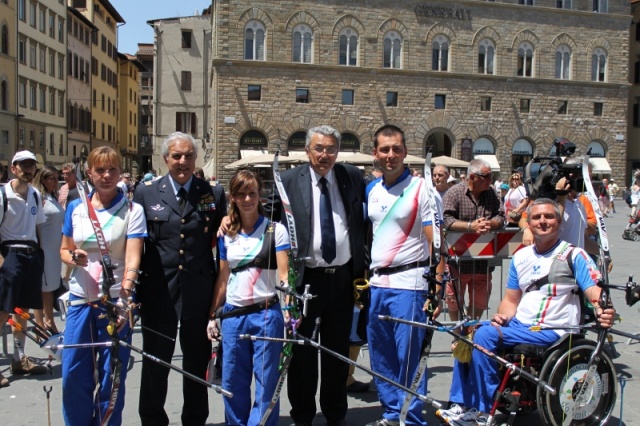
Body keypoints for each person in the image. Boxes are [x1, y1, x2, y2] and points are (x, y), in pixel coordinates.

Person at [436, 198, 615, 424]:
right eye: (536, 217)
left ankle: (481, 411)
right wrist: (501, 316)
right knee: (466, 331)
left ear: (559, 223)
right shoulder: (521, 256)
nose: (543, 221)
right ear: (528, 223)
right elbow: (511, 301)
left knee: (484, 335)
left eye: (549, 217)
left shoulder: (574, 255)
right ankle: (461, 404)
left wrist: (602, 308)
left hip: (553, 330)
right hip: (521, 325)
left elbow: (594, 290)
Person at [266, 125, 366, 426]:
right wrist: (228, 223)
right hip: (305, 280)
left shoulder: (352, 177)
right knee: (303, 355)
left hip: (343, 279)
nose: (325, 155)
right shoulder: (287, 180)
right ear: (307, 150)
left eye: (331, 149)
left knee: (337, 354)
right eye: (319, 148)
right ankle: (303, 417)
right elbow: (268, 221)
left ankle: (336, 416)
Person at [133, 131, 227, 426]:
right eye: (176, 156)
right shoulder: (146, 192)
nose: (183, 161)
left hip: (198, 289)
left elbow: (219, 236)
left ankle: (195, 419)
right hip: (158, 288)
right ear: (165, 160)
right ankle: (152, 419)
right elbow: (138, 242)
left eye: (188, 155)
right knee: (155, 361)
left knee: (196, 361)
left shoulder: (212, 193)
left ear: (196, 158)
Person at [60, 146, 146, 424]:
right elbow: (64, 250)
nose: (107, 175)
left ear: (121, 173)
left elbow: (133, 259)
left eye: (112, 169)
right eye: (100, 170)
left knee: (112, 376)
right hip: (80, 300)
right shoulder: (75, 207)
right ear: (89, 174)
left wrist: (124, 298)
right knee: (73, 374)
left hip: (114, 304)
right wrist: (73, 257)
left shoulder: (133, 209)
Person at [365, 125, 444, 426]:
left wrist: (437, 289)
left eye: (396, 148)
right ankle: (390, 413)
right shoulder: (371, 190)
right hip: (378, 284)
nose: (390, 155)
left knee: (409, 359)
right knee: (381, 356)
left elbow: (436, 243)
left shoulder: (422, 188)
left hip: (410, 285)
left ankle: (411, 420)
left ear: (404, 152)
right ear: (375, 153)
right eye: (384, 149)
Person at [207, 170, 290, 426]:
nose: (247, 199)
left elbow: (284, 276)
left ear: (260, 197)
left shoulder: (276, 231)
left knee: (266, 385)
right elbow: (222, 277)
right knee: (232, 384)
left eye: (252, 193)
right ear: (232, 197)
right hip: (233, 317)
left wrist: (289, 311)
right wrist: (213, 315)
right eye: (241, 194)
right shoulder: (226, 233)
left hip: (266, 314)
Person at [0, 151, 47, 387]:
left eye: (32, 166)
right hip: (10, 253)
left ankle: (19, 358)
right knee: (2, 311)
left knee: (22, 310)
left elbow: (37, 228)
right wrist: (2, 263)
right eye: (24, 166)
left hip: (30, 254)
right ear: (13, 168)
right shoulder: (2, 194)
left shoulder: (35, 194)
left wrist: (40, 257)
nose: (29, 170)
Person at [442, 159, 505, 321]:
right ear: (472, 177)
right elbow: (447, 220)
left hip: (483, 264)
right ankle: (458, 331)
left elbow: (501, 216)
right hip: (458, 263)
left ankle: (469, 332)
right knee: (453, 300)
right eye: (487, 176)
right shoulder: (454, 193)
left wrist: (491, 223)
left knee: (480, 301)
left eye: (491, 176)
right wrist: (470, 226)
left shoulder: (491, 193)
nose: (491, 180)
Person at [32, 165, 65, 335]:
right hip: (44, 248)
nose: (56, 181)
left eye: (56, 177)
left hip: (54, 249)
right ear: (43, 180)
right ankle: (43, 323)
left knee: (50, 286)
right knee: (43, 287)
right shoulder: (38, 197)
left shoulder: (52, 197)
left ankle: (48, 320)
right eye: (52, 178)